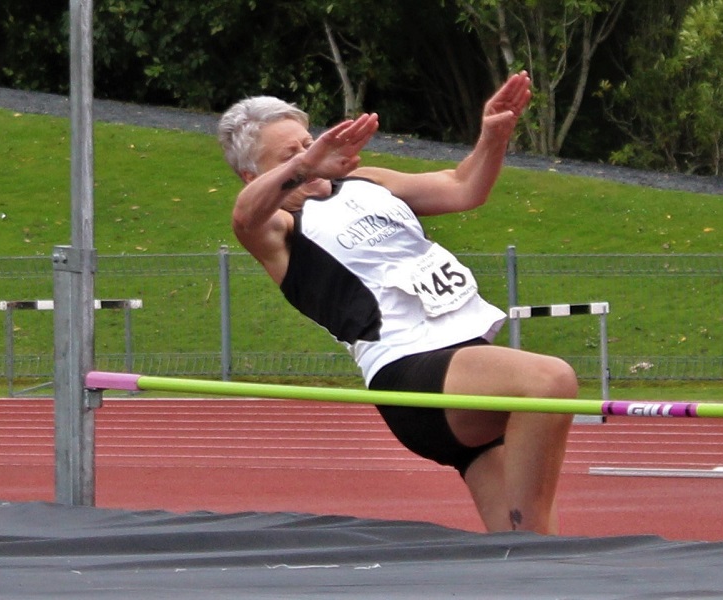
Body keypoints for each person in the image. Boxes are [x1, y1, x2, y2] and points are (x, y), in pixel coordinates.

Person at [218, 72, 576, 535]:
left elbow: (463, 186)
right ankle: (538, 546)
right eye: (291, 155)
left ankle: (530, 553)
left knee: (511, 542)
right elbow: (244, 215)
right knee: (548, 381)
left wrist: (493, 136)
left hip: (465, 364)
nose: (313, 155)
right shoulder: (278, 227)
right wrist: (306, 166)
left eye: (310, 142)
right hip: (410, 374)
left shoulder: (366, 182)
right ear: (253, 176)